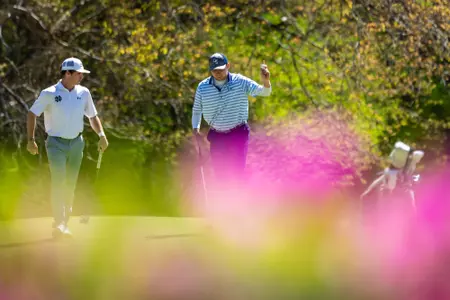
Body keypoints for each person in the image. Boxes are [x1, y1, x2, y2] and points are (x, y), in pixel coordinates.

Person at [26, 57, 109, 238]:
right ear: (68, 73)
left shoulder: (84, 92)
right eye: (79, 74)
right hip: (55, 143)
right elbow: (32, 114)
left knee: (70, 184)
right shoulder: (49, 93)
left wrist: (101, 135)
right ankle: (60, 223)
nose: (81, 77)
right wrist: (30, 140)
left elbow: (92, 117)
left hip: (76, 143)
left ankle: (64, 221)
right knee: (59, 181)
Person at [192, 53, 272, 187]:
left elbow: (265, 92)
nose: (217, 73)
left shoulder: (240, 81)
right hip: (217, 136)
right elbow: (196, 110)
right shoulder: (202, 87)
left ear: (228, 66)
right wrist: (196, 129)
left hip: (238, 133)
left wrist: (266, 81)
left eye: (221, 69)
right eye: (214, 70)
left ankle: (240, 204)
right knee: (221, 176)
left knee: (237, 173)